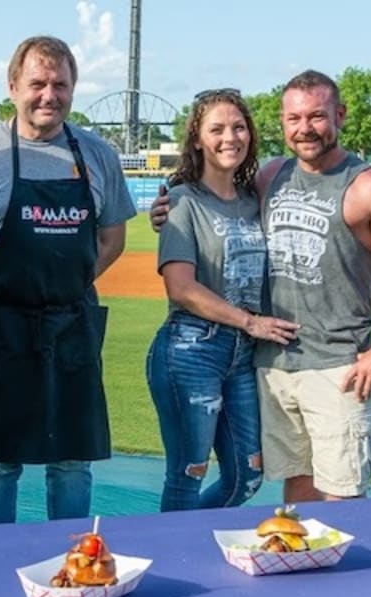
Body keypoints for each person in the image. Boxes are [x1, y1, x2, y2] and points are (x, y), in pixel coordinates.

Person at [152, 70, 371, 503]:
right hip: (271, 363)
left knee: (341, 494)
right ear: (282, 123)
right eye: (294, 118)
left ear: (340, 114)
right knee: (295, 490)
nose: (305, 129)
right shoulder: (271, 177)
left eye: (317, 116)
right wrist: (167, 207)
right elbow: (204, 212)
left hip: (337, 364)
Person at [0, 35, 137, 526]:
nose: (49, 95)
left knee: (72, 459)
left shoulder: (97, 155)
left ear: (73, 89)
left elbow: (112, 239)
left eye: (60, 84)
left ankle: (73, 556)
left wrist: (67, 283)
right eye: (37, 84)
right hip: (2, 323)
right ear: (13, 87)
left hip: (72, 321)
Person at [147, 89, 299, 512]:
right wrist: (251, 323)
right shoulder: (181, 201)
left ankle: (192, 538)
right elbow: (181, 288)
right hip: (191, 350)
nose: (230, 137)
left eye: (238, 127)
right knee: (187, 474)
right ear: (196, 139)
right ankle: (177, 558)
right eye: (216, 129)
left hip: (241, 356)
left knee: (247, 477)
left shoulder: (256, 199)